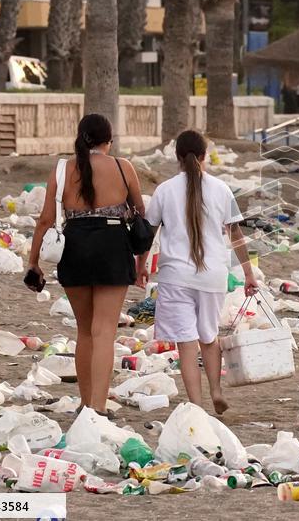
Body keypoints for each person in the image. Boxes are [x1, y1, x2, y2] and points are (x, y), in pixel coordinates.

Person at [27, 114, 144, 418]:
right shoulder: (123, 167)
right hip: (113, 246)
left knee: (85, 331)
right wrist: (143, 260)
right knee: (104, 331)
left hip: (75, 246)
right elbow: (141, 214)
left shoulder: (63, 169)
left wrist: (33, 261)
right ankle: (99, 407)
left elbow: (45, 220)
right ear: (109, 140)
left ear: (80, 137)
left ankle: (85, 403)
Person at [137, 130, 258, 415]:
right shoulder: (222, 189)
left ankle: (197, 406)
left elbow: (148, 233)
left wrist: (140, 265)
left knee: (186, 344)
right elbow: (236, 234)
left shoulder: (165, 190)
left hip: (175, 276)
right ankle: (216, 390)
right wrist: (249, 274)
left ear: (177, 157)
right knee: (209, 338)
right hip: (212, 276)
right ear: (204, 156)